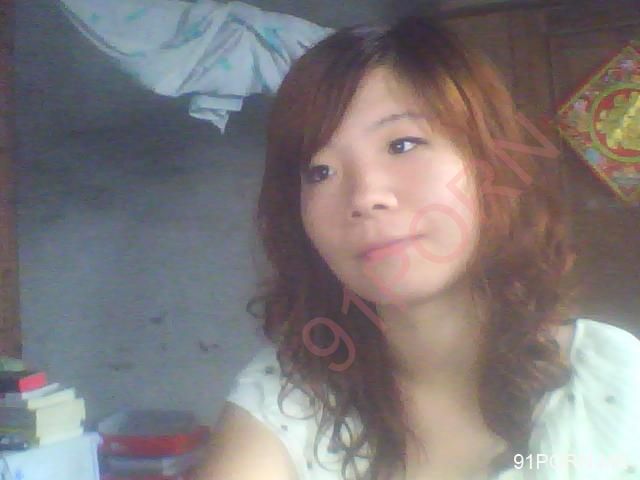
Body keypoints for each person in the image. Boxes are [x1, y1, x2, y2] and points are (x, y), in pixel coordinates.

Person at [195, 15, 640, 480]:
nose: (365, 196)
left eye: (402, 145)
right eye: (320, 171)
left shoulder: (614, 381)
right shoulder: (286, 401)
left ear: (487, 165)